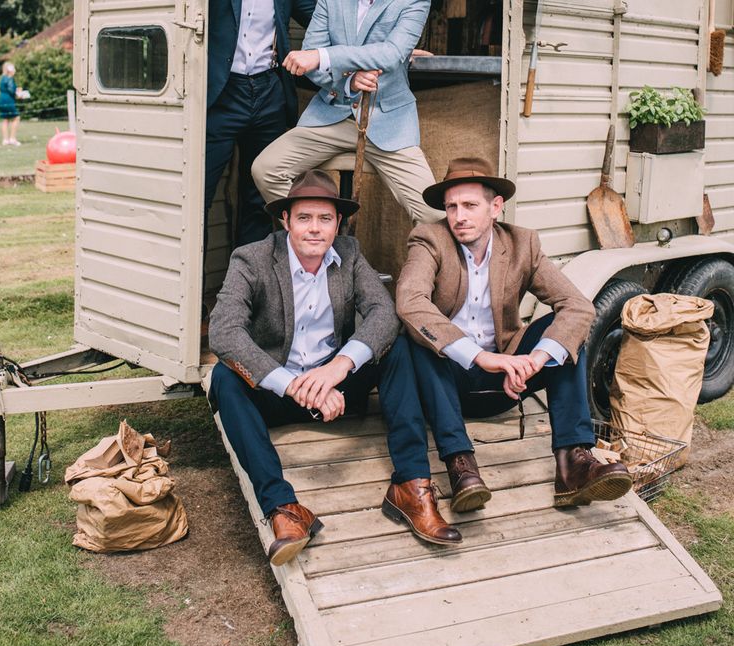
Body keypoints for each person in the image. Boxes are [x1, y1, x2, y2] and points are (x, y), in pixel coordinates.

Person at [207, 169, 462, 566]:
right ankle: (284, 509)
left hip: (338, 389)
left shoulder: (350, 253)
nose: (314, 229)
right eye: (304, 218)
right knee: (224, 377)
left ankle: (411, 487)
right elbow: (223, 331)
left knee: (398, 348)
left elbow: (383, 313)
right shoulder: (252, 259)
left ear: (337, 223)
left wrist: (338, 368)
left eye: (325, 219)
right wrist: (294, 385)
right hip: (277, 392)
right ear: (285, 220)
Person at [396, 157, 633, 512]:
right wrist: (484, 358)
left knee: (568, 330)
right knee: (416, 337)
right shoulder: (429, 239)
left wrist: (533, 362)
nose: (459, 216)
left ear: (495, 207)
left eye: (470, 206)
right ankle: (461, 466)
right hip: (447, 387)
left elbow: (578, 306)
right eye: (451, 207)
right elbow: (410, 302)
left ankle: (573, 464)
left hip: (506, 383)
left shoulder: (522, 243)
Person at [251, 0, 442, 226]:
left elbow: (391, 53)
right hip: (331, 114)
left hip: (387, 123)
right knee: (265, 169)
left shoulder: (414, 1)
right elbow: (310, 63)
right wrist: (348, 82)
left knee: (433, 214)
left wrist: (324, 56)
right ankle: (318, 243)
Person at [205, 0, 315, 250]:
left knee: (258, 200)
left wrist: (385, 45)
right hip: (219, 95)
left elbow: (327, 17)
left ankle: (246, 284)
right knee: (199, 197)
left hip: (269, 93)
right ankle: (194, 288)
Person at [0, 62, 22, 146]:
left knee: (5, 119)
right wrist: (19, 94)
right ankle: (12, 138)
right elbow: (12, 90)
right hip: (8, 100)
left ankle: (5, 140)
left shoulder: (3, 78)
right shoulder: (10, 78)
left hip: (1, 99)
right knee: (16, 118)